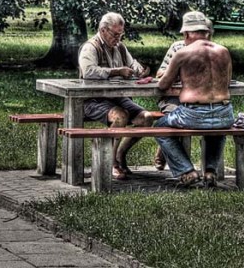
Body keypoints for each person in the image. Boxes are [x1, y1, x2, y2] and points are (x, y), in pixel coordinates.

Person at [154, 11, 234, 187]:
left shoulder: (182, 53)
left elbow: (162, 85)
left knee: (159, 127)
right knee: (217, 129)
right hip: (225, 113)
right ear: (207, 32)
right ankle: (210, 171)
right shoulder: (224, 51)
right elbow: (227, 82)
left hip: (193, 114)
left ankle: (186, 170)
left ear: (186, 33)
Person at [78, 12, 153, 180]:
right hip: (93, 99)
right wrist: (116, 71)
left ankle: (119, 155)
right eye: (115, 34)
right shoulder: (91, 47)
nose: (118, 38)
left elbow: (132, 63)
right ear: (103, 30)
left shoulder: (120, 47)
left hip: (117, 97)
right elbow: (88, 71)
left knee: (146, 118)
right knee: (120, 116)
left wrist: (140, 71)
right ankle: (110, 163)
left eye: (121, 34)